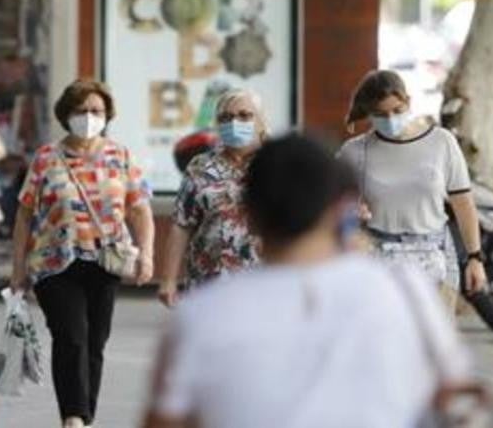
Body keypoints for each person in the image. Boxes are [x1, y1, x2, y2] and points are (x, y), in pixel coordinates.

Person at [144, 134, 475, 428]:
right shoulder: (406, 293)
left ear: (248, 214)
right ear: (344, 209)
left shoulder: (201, 316)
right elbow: (460, 403)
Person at [9, 79, 155, 428]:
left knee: (94, 343)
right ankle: (72, 418)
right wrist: (18, 269)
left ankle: (84, 415)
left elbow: (139, 209)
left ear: (106, 116)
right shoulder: (47, 157)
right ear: (66, 115)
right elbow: (25, 214)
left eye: (96, 111)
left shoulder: (119, 156)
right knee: (70, 336)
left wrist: (146, 254)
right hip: (54, 263)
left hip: (105, 261)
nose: (89, 117)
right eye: (81, 111)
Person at [338, 70, 487, 302]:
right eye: (381, 114)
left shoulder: (441, 142)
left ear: (408, 102)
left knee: (435, 336)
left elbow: (463, 204)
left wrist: (475, 258)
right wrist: (351, 213)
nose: (390, 120)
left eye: (397, 111)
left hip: (435, 258)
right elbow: (328, 204)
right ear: (369, 114)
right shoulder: (355, 151)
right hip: (378, 261)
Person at [157, 90, 267, 307]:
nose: (234, 122)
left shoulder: (277, 163)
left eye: (244, 115)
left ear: (261, 122)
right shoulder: (200, 166)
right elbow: (182, 224)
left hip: (264, 284)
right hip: (208, 283)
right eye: (226, 118)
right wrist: (168, 280)